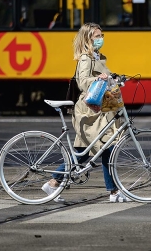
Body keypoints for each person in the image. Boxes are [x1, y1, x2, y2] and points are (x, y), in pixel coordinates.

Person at [41, 22, 129, 203]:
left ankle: (53, 182)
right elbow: (83, 82)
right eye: (97, 36)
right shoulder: (85, 58)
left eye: (101, 35)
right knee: (106, 146)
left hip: (96, 110)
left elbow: (105, 77)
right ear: (88, 39)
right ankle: (113, 192)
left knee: (82, 153)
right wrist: (99, 77)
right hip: (87, 111)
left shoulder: (98, 57)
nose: (101, 39)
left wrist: (117, 78)